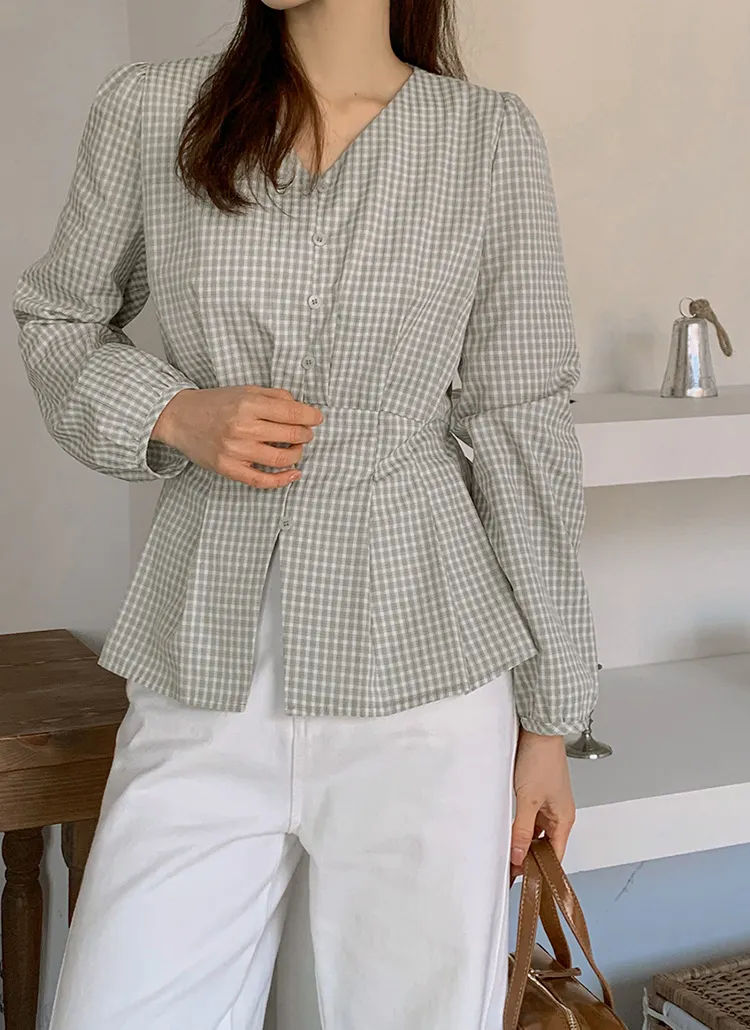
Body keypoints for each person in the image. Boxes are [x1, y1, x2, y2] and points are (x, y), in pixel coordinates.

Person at [11, 0, 600, 1027]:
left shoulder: (485, 137)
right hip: (205, 659)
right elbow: (58, 316)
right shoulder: (154, 109)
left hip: (426, 674)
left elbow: (521, 422)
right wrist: (171, 411)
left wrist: (551, 720)